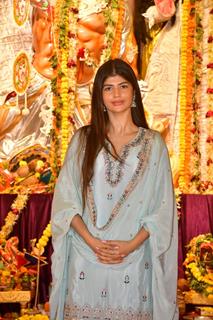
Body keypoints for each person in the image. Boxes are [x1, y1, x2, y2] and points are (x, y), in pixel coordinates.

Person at [50, 58, 179, 320]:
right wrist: (92, 242)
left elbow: (161, 211)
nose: (116, 94)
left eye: (123, 86)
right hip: (85, 259)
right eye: (108, 88)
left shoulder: (153, 144)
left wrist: (130, 246)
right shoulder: (83, 140)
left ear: (134, 92)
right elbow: (66, 201)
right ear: (99, 96)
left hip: (133, 261)